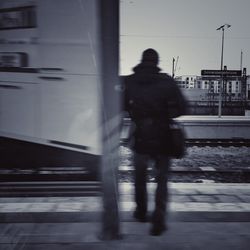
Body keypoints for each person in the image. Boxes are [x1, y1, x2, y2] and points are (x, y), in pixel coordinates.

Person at [123, 48, 186, 236]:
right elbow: (183, 108)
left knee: (139, 178)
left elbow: (122, 105)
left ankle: (141, 212)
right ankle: (158, 221)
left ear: (142, 61)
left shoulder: (130, 81)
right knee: (161, 180)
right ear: (157, 62)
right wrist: (167, 111)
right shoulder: (167, 82)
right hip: (163, 137)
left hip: (140, 136)